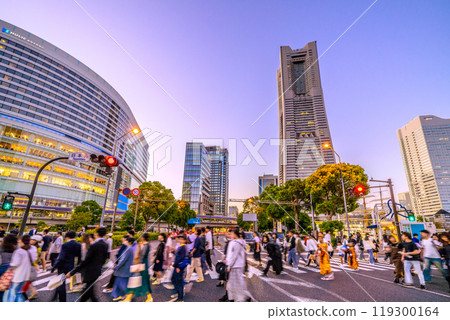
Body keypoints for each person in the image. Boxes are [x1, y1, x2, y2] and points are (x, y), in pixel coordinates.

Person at [67, 227, 109, 302]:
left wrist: (72, 272)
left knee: (87, 292)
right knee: (90, 292)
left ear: (97, 234)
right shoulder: (105, 245)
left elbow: (86, 260)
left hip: (90, 271)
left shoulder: (94, 245)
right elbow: (105, 258)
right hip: (97, 270)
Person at [3, 235, 37, 302]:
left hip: (18, 276)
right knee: (19, 292)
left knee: (12, 293)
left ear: (21, 241)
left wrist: (10, 266)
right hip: (26, 275)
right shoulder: (32, 249)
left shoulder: (19, 251)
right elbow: (34, 259)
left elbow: (15, 264)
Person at [52, 231, 81, 302]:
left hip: (63, 267)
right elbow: (80, 257)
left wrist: (54, 266)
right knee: (59, 282)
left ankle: (62, 300)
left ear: (67, 237)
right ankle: (55, 295)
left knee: (61, 284)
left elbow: (61, 258)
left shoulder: (65, 245)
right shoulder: (79, 245)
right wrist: (78, 267)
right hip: (72, 267)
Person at [124, 233, 153, 302]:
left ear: (143, 237)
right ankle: (129, 297)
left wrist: (138, 265)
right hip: (144, 265)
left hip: (141, 265)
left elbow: (141, 256)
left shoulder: (144, 245)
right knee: (139, 281)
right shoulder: (147, 244)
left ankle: (149, 298)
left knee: (139, 281)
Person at [226, 228, 248, 302]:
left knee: (236, 284)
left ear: (235, 234)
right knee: (235, 283)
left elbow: (234, 256)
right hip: (238, 265)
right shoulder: (239, 242)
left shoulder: (237, 243)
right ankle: (234, 298)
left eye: (232, 233)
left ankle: (240, 299)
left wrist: (229, 265)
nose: (231, 235)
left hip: (236, 266)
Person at [111, 236, 135, 301]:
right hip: (126, 269)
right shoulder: (131, 248)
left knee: (121, 284)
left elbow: (123, 260)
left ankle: (127, 296)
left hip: (123, 270)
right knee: (120, 283)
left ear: (129, 242)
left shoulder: (128, 249)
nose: (124, 241)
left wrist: (116, 267)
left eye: (126, 240)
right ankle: (119, 295)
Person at [169, 233, 189, 302]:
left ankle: (180, 298)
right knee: (173, 279)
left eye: (181, 239)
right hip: (177, 266)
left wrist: (178, 267)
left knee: (179, 282)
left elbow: (183, 258)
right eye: (179, 238)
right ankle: (177, 292)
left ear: (184, 240)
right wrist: (174, 252)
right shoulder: (181, 246)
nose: (179, 240)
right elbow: (179, 256)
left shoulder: (183, 247)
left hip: (179, 268)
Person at [0, 234, 17, 301]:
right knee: (6, 288)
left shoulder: (1, 247)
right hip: (11, 270)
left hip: (1, 268)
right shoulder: (17, 249)